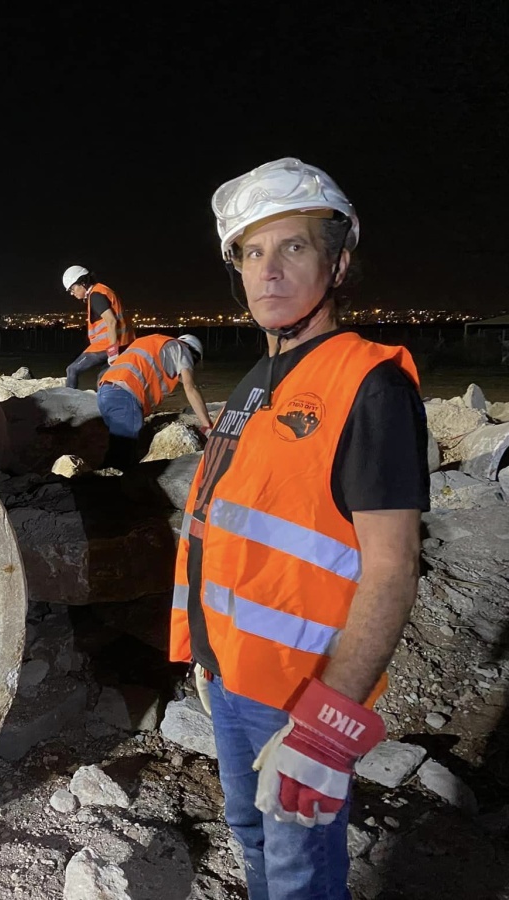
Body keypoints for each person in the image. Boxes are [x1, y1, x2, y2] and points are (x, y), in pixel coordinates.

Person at [170, 158, 429, 899]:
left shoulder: (369, 384)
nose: (268, 272)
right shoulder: (258, 381)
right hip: (228, 676)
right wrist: (204, 652)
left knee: (300, 876)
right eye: (251, 252)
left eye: (293, 248)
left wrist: (325, 723)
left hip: (299, 691)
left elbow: (391, 568)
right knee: (251, 837)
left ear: (339, 262)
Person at [96, 332, 213, 469]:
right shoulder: (183, 349)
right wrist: (207, 426)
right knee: (123, 459)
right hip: (125, 396)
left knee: (116, 452)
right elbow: (190, 387)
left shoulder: (156, 342)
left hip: (106, 392)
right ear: (193, 353)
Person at [61, 265, 135, 389]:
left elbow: (111, 321)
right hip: (124, 343)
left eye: (73, 289)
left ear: (83, 283)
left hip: (106, 346)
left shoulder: (96, 296)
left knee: (72, 370)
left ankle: (68, 404)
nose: (72, 293)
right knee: (102, 378)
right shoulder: (103, 290)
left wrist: (112, 352)